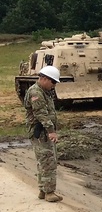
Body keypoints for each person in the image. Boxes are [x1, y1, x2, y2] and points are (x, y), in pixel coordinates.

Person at [23, 65, 62, 202]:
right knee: (48, 161)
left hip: (42, 132)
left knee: (44, 160)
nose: (54, 85)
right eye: (53, 82)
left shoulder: (43, 91)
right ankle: (49, 192)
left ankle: (43, 190)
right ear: (44, 79)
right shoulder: (36, 93)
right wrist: (51, 131)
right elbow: (41, 114)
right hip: (41, 132)